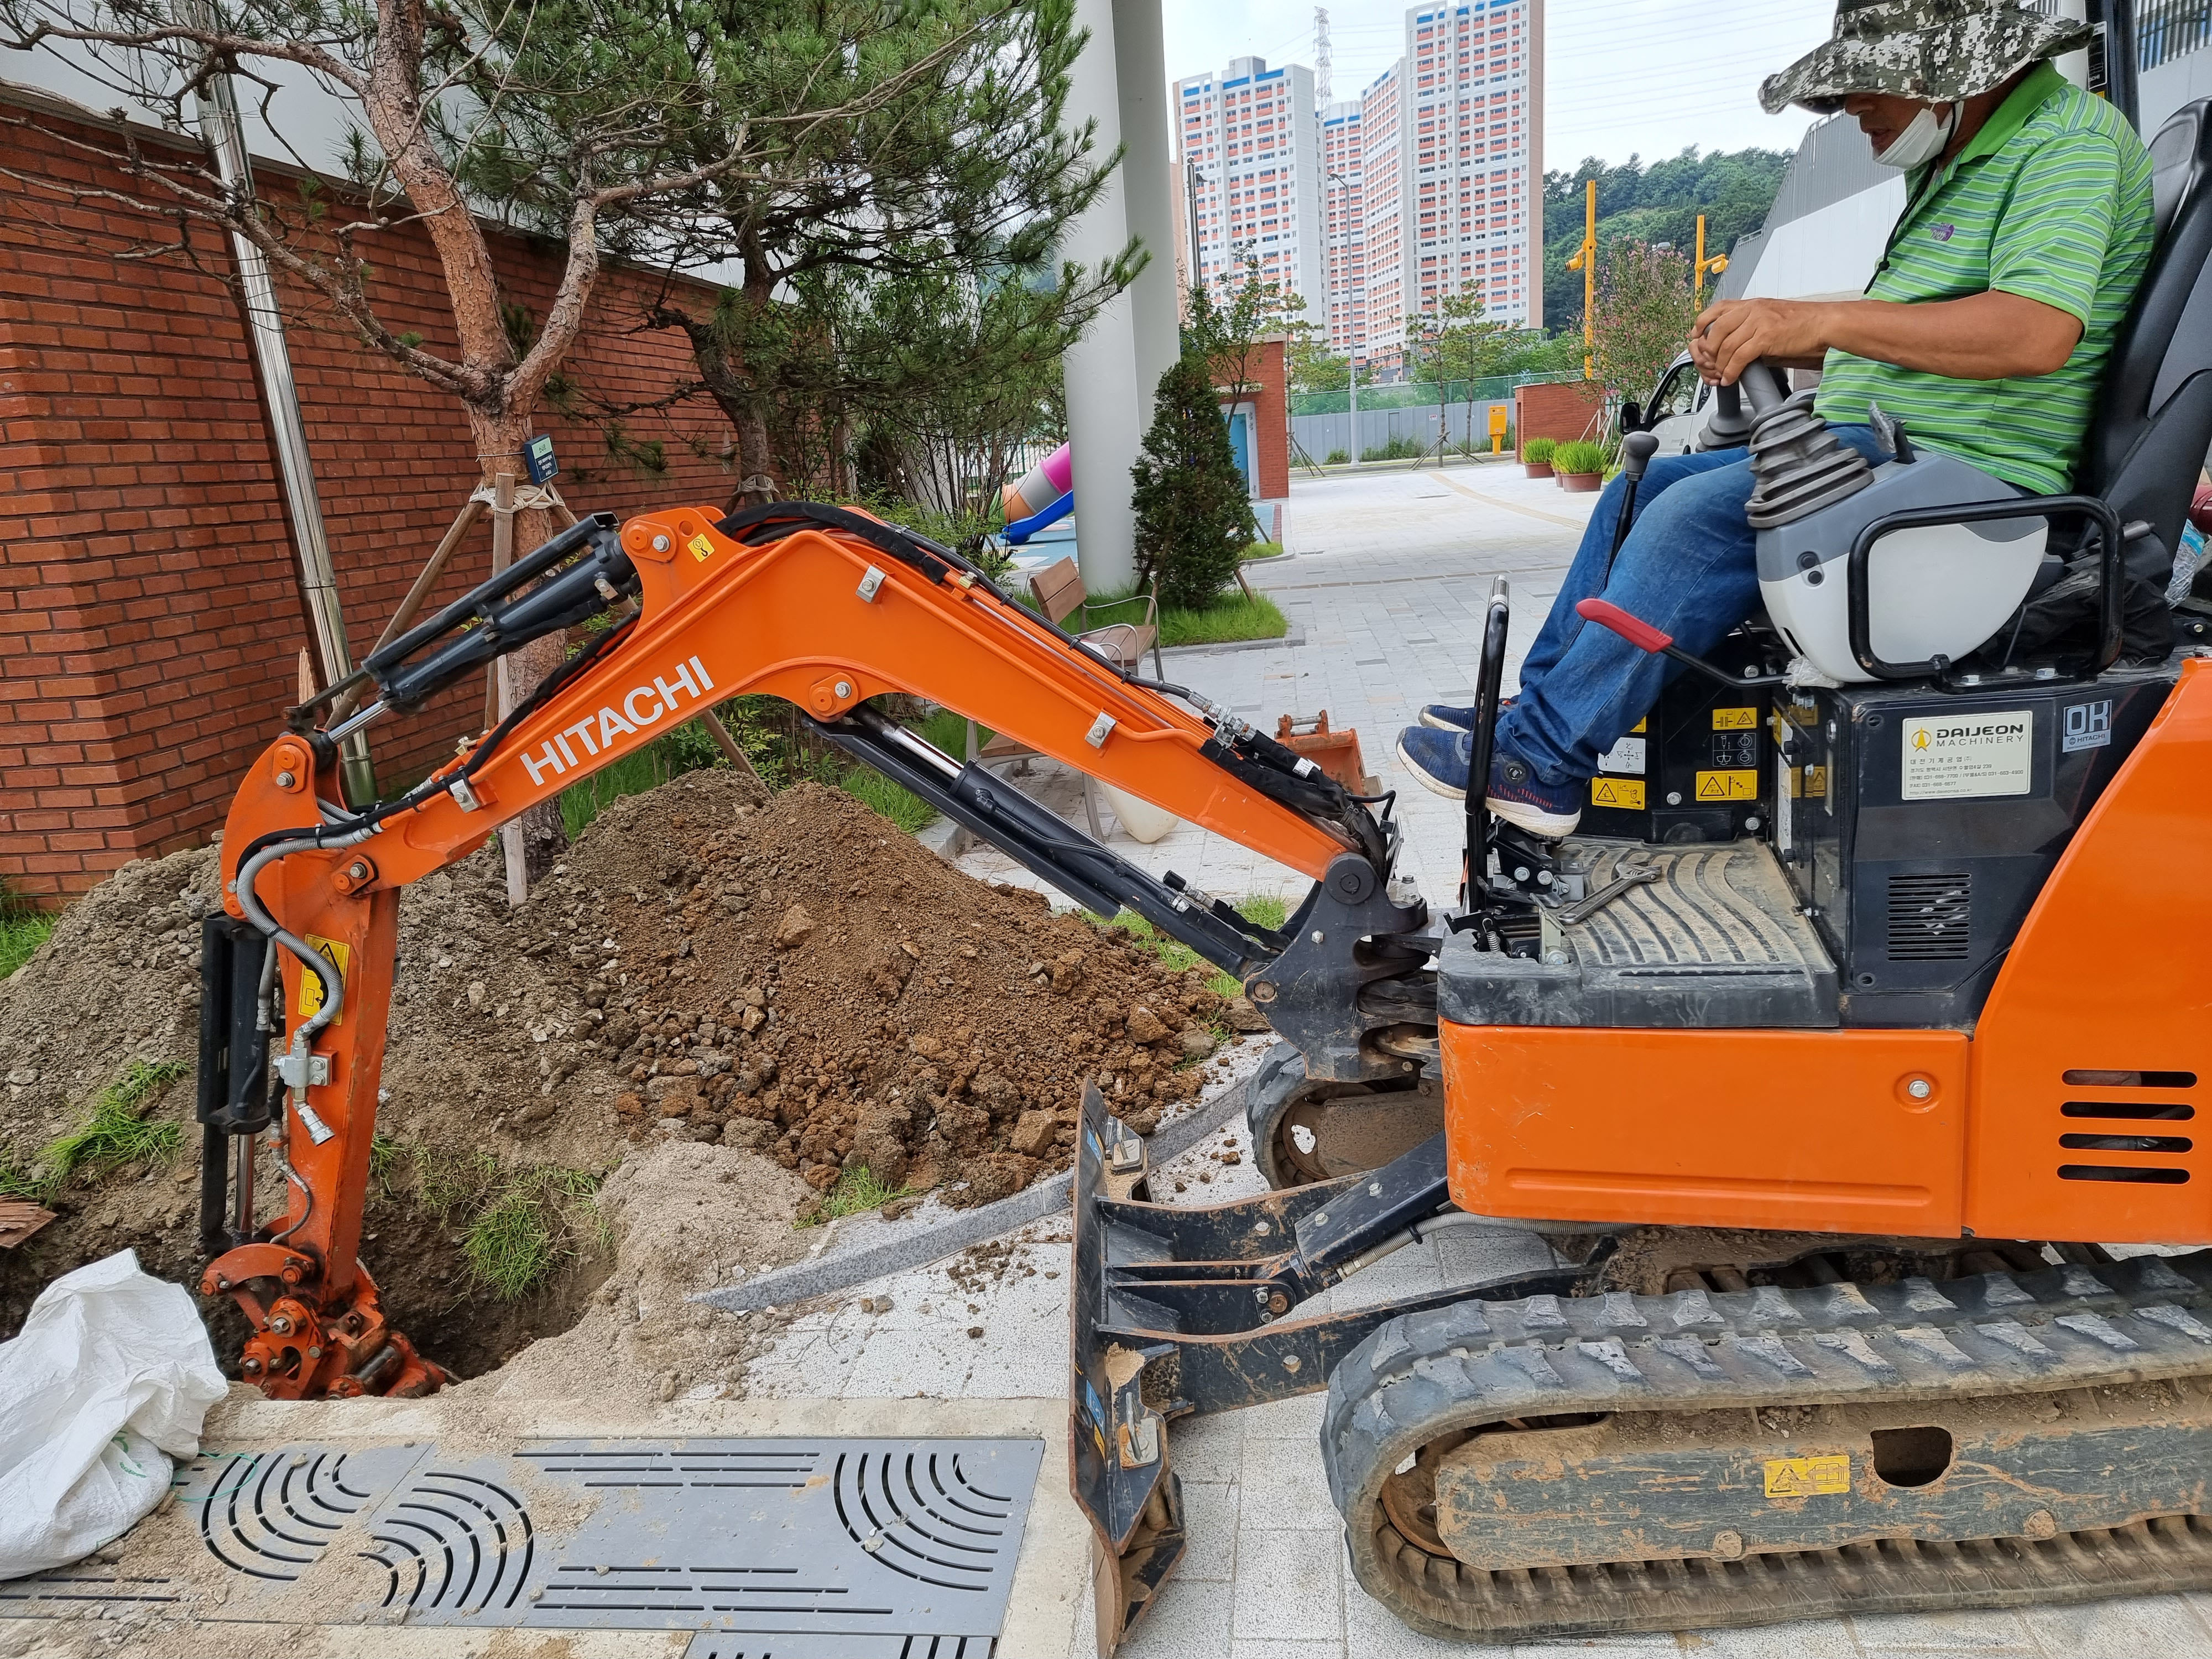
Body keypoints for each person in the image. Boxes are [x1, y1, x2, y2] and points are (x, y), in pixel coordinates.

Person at [1396, 0, 2156, 838]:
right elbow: (1916, 329)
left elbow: (2033, 332)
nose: (1855, 116)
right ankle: (1535, 717)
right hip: (1888, 450)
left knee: (1690, 520)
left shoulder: (2064, 143)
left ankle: (1544, 765)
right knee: (1636, 493)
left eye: (1870, 91)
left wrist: (1817, 321)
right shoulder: (1959, 155)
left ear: (1952, 74)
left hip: (1970, 472)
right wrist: (1777, 329)